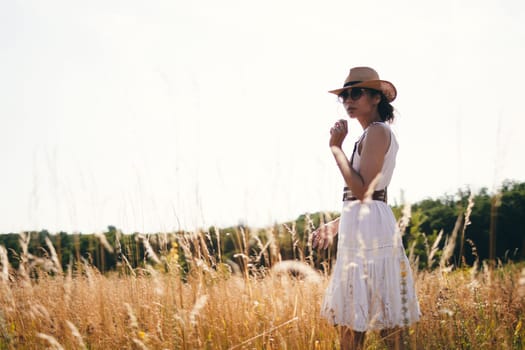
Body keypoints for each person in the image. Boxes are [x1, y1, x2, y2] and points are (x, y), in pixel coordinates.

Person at [312, 67, 420, 350]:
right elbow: (362, 196)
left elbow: (364, 191)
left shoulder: (377, 132)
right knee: (354, 317)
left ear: (376, 98)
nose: (349, 99)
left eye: (356, 93)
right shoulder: (368, 135)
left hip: (371, 229)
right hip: (362, 222)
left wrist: (336, 149)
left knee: (382, 319)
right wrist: (335, 224)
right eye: (345, 95)